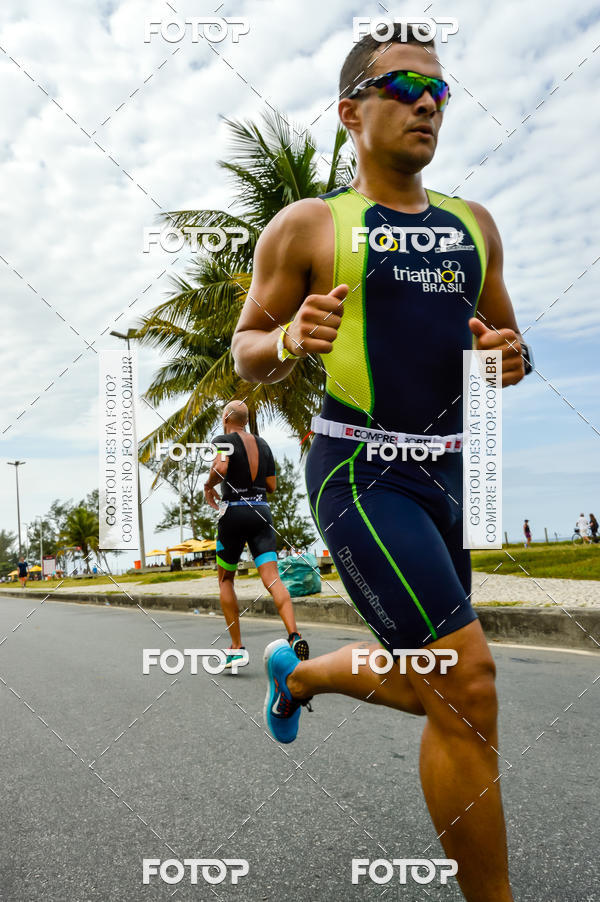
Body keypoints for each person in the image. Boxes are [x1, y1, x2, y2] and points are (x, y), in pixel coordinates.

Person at [231, 24, 533, 902]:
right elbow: (247, 348)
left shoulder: (475, 226)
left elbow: (505, 347)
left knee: (442, 683)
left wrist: (507, 361)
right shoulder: (309, 225)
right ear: (350, 112)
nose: (427, 103)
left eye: (439, 90)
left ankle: (301, 672)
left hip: (452, 475)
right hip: (360, 472)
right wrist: (289, 337)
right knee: (467, 683)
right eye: (404, 87)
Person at [204, 400, 309, 668]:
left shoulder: (223, 440)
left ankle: (237, 648)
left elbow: (221, 468)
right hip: (261, 512)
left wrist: (208, 485)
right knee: (273, 579)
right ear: (246, 420)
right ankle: (294, 636)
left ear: (226, 419)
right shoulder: (264, 445)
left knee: (226, 580)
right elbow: (271, 485)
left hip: (234, 512)